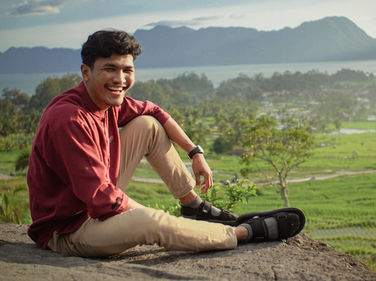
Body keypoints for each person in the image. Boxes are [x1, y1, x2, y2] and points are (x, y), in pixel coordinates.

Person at [26, 30, 304, 258]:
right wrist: (161, 219)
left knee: (148, 124)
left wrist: (195, 153)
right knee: (148, 222)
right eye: (109, 69)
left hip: (90, 200)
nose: (119, 80)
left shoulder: (104, 101)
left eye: (126, 70)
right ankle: (241, 233)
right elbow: (103, 200)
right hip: (69, 229)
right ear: (86, 72)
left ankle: (194, 206)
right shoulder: (70, 118)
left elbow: (156, 112)